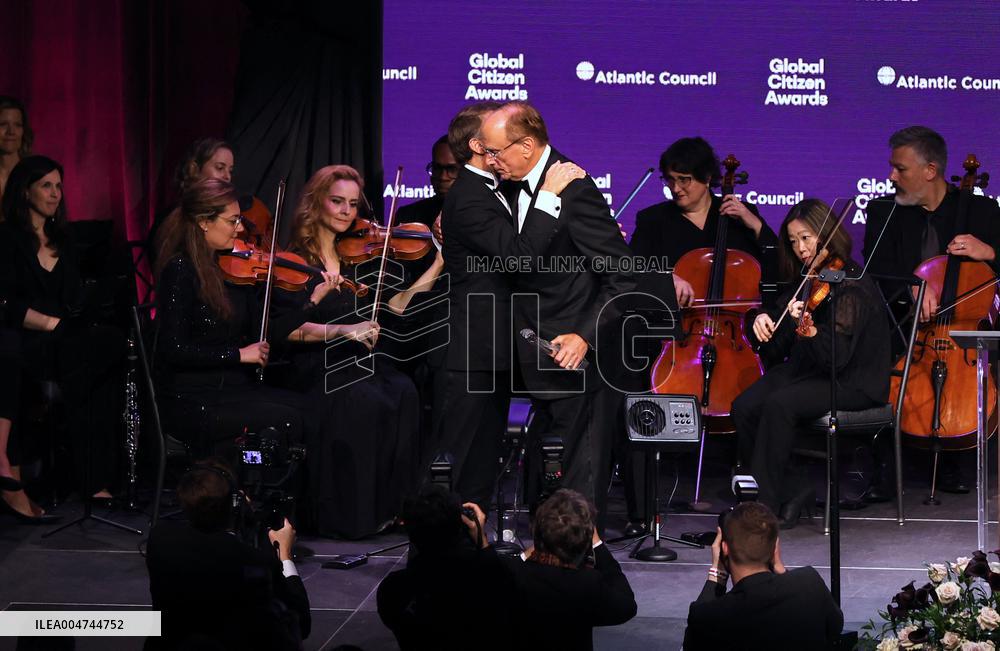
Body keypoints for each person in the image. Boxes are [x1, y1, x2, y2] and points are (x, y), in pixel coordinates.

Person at [479, 101, 636, 524]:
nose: (490, 161)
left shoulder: (577, 190)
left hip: (572, 356)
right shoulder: (506, 185)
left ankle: (577, 570)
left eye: (496, 152)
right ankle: (547, 564)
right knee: (545, 478)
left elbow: (621, 276)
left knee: (577, 486)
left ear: (527, 146)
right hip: (523, 350)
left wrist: (585, 334)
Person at [269, 164, 436, 538]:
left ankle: (391, 509)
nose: (346, 211)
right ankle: (351, 515)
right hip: (315, 365)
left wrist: (438, 262)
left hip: (354, 361)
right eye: (337, 201)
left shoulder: (360, 257)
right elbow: (289, 330)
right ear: (316, 204)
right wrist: (343, 329)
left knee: (404, 391)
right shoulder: (296, 261)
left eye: (352, 203)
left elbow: (395, 308)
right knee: (362, 399)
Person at [433, 101, 576, 511]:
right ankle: (433, 543)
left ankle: (471, 538)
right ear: (479, 145)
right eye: (495, 135)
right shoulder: (469, 197)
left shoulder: (490, 190)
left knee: (481, 459)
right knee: (455, 458)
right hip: (473, 349)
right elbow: (519, 255)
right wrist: (549, 194)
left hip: (494, 348)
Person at [732, 199, 889, 528]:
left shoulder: (850, 283)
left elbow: (839, 359)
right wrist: (759, 320)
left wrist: (811, 328)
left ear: (827, 234)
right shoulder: (810, 279)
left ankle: (763, 508)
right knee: (744, 405)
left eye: (806, 238)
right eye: (792, 241)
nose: (800, 248)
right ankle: (794, 488)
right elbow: (776, 345)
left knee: (779, 404)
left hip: (853, 380)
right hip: (809, 372)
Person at [863, 125, 1000, 496]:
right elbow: (874, 269)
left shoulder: (982, 211)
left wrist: (989, 253)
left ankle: (956, 458)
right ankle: (883, 466)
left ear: (931, 170)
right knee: (877, 360)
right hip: (905, 325)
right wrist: (910, 284)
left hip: (961, 327)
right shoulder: (884, 211)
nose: (892, 176)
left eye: (900, 169)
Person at [0, 155, 124, 519]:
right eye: (46, 186)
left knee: (110, 347)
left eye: (58, 186)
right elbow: (5, 305)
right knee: (83, 366)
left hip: (63, 340)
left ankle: (95, 478)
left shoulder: (64, 240)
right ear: (25, 191)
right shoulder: (7, 237)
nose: (55, 194)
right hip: (24, 339)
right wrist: (52, 324)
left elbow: (72, 300)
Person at [154, 177, 306, 462]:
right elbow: (173, 350)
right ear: (203, 222)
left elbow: (261, 331)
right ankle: (255, 497)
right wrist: (237, 355)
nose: (239, 229)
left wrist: (310, 303)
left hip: (230, 388)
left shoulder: (221, 267)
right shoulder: (180, 270)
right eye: (233, 220)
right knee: (291, 419)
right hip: (193, 400)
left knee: (309, 409)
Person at [144, 460, 310, 650]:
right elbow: (302, 623)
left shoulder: (159, 539)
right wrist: (285, 555)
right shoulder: (254, 560)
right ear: (235, 503)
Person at [630, 136, 777, 309]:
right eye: (670, 179)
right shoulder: (652, 220)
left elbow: (779, 268)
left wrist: (757, 226)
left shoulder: (742, 216)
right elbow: (632, 270)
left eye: (684, 179)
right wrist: (665, 279)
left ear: (707, 177)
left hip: (737, 325)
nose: (675, 188)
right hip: (672, 326)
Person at [683, 501, 843, 650]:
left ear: (724, 548)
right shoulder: (809, 584)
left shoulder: (709, 616)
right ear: (775, 547)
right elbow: (835, 627)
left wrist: (717, 573)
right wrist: (781, 569)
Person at [376, 485, 512, 650]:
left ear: (409, 530)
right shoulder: (490, 582)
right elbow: (499, 587)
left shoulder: (393, 589)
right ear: (459, 525)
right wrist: (481, 539)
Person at [501, 489, 637, 650]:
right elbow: (626, 606)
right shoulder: (586, 583)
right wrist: (597, 544)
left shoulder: (513, 574)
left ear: (536, 531)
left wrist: (529, 551)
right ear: (584, 540)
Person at [396, 134, 458, 229]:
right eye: (437, 168)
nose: (442, 177)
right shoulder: (407, 216)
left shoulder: (481, 215)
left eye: (452, 169)